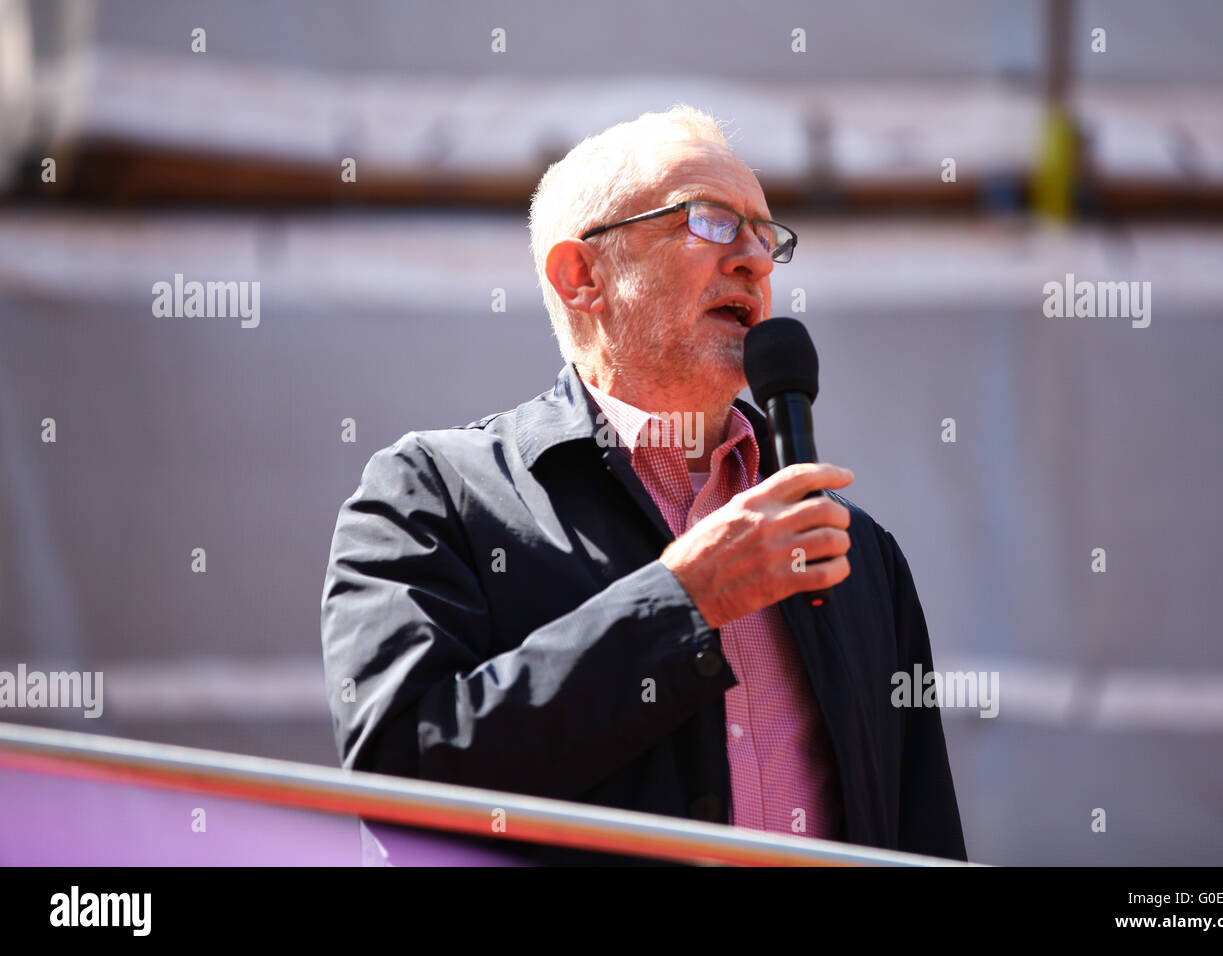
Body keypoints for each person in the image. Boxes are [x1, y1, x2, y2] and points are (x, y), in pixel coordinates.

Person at [320, 105, 966, 864]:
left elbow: (921, 833)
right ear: (582, 275)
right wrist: (683, 603)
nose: (754, 259)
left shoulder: (857, 552)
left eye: (766, 235)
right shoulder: (432, 496)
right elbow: (403, 773)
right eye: (712, 221)